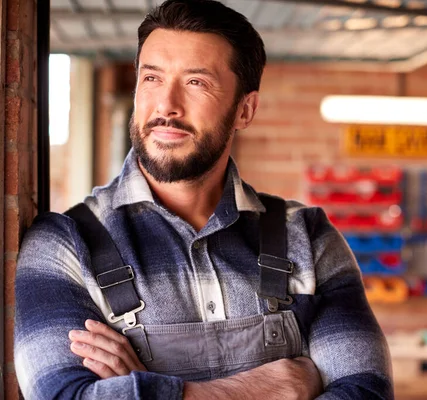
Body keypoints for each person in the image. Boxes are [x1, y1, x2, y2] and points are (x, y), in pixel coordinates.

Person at [15, 1, 393, 399]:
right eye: (152, 78)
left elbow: (367, 392)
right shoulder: (63, 247)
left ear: (244, 110)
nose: (166, 106)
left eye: (196, 82)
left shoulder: (308, 237)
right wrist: (263, 389)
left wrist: (145, 388)